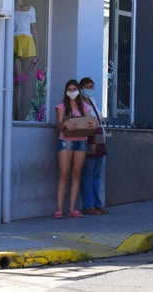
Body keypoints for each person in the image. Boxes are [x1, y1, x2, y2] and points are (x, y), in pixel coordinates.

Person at [54, 79, 96, 219]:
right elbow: (58, 125)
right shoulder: (61, 106)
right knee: (63, 174)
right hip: (66, 142)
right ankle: (59, 209)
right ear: (66, 91)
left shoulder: (84, 107)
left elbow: (91, 122)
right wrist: (66, 124)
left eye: (74, 89)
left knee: (76, 175)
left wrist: (92, 125)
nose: (72, 91)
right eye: (70, 89)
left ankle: (72, 209)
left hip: (81, 142)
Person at [79, 77, 109, 216]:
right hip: (89, 140)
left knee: (96, 174)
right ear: (81, 88)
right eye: (87, 86)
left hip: (99, 139)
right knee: (88, 173)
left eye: (91, 86)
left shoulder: (93, 101)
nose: (89, 89)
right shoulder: (79, 103)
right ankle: (88, 205)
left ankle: (98, 204)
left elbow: (99, 117)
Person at [13, 0, 38, 120]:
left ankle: (24, 113)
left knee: (24, 81)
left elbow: (34, 30)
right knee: (18, 81)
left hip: (28, 43)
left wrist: (37, 53)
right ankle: (16, 113)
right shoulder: (10, 9)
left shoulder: (31, 9)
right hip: (15, 42)